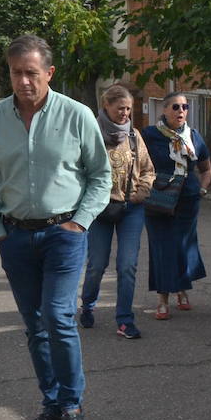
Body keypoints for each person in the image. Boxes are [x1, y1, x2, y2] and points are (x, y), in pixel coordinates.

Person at [0, 35, 111, 420]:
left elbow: (101, 175)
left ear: (48, 73)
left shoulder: (76, 115)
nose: (24, 81)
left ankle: (72, 404)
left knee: (58, 316)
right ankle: (50, 403)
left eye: (32, 73)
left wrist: (80, 222)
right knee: (35, 325)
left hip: (64, 234)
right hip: (15, 237)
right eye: (17, 73)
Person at [79, 84, 156, 339]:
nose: (125, 113)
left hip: (130, 209)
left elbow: (148, 170)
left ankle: (124, 320)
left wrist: (141, 192)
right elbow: (78, 172)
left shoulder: (134, 135)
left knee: (127, 265)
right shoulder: (91, 134)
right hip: (100, 211)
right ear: (106, 106)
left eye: (128, 109)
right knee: (97, 265)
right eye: (120, 108)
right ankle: (87, 304)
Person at [141, 91, 211, 319]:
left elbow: (206, 168)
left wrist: (202, 188)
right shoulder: (150, 135)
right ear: (164, 110)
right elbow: (139, 164)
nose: (181, 111)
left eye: (185, 107)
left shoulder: (194, 136)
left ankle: (182, 290)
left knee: (183, 245)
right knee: (162, 247)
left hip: (188, 199)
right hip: (159, 198)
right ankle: (162, 299)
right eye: (175, 107)